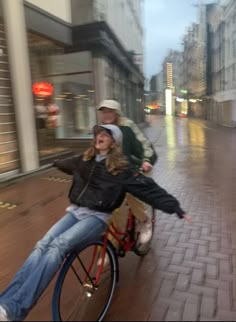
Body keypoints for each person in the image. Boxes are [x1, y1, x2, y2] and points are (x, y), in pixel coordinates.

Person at [0, 124, 191, 322]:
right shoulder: (86, 159)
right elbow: (69, 163)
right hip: (76, 211)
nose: (100, 136)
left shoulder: (121, 169)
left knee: (59, 246)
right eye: (98, 133)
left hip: (97, 217)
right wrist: (55, 161)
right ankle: (4, 303)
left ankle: (15, 310)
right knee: (42, 244)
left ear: (113, 142)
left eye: (105, 134)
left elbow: (148, 188)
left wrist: (174, 206)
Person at [97, 99, 157, 244]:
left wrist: (147, 160)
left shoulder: (127, 125)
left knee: (130, 191)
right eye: (104, 111)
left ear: (117, 113)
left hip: (131, 168)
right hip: (110, 171)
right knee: (105, 204)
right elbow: (95, 150)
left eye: (110, 111)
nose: (106, 114)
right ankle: (111, 245)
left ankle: (144, 221)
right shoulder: (101, 129)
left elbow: (144, 144)